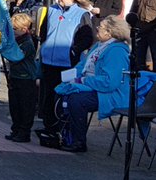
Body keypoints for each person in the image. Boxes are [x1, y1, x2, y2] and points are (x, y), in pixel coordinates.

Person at [54, 16, 133, 153]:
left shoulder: (117, 51)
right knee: (61, 91)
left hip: (109, 93)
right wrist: (71, 77)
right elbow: (82, 66)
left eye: (100, 27)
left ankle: (79, 142)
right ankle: (63, 135)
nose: (97, 29)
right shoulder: (98, 46)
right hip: (92, 86)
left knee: (76, 100)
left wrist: (83, 81)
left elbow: (110, 82)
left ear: (110, 32)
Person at [37, 0, 94, 140]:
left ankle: (62, 128)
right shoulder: (52, 10)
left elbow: (87, 37)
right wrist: (44, 47)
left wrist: (74, 50)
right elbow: (43, 31)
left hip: (68, 62)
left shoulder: (82, 14)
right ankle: (49, 126)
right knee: (48, 94)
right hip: (49, 60)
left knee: (62, 96)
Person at [4, 13, 39, 143]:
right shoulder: (16, 40)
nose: (13, 31)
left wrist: (5, 50)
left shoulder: (27, 43)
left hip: (25, 78)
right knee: (15, 106)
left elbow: (17, 57)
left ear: (24, 29)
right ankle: (16, 129)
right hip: (15, 76)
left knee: (25, 107)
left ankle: (24, 132)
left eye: (15, 29)